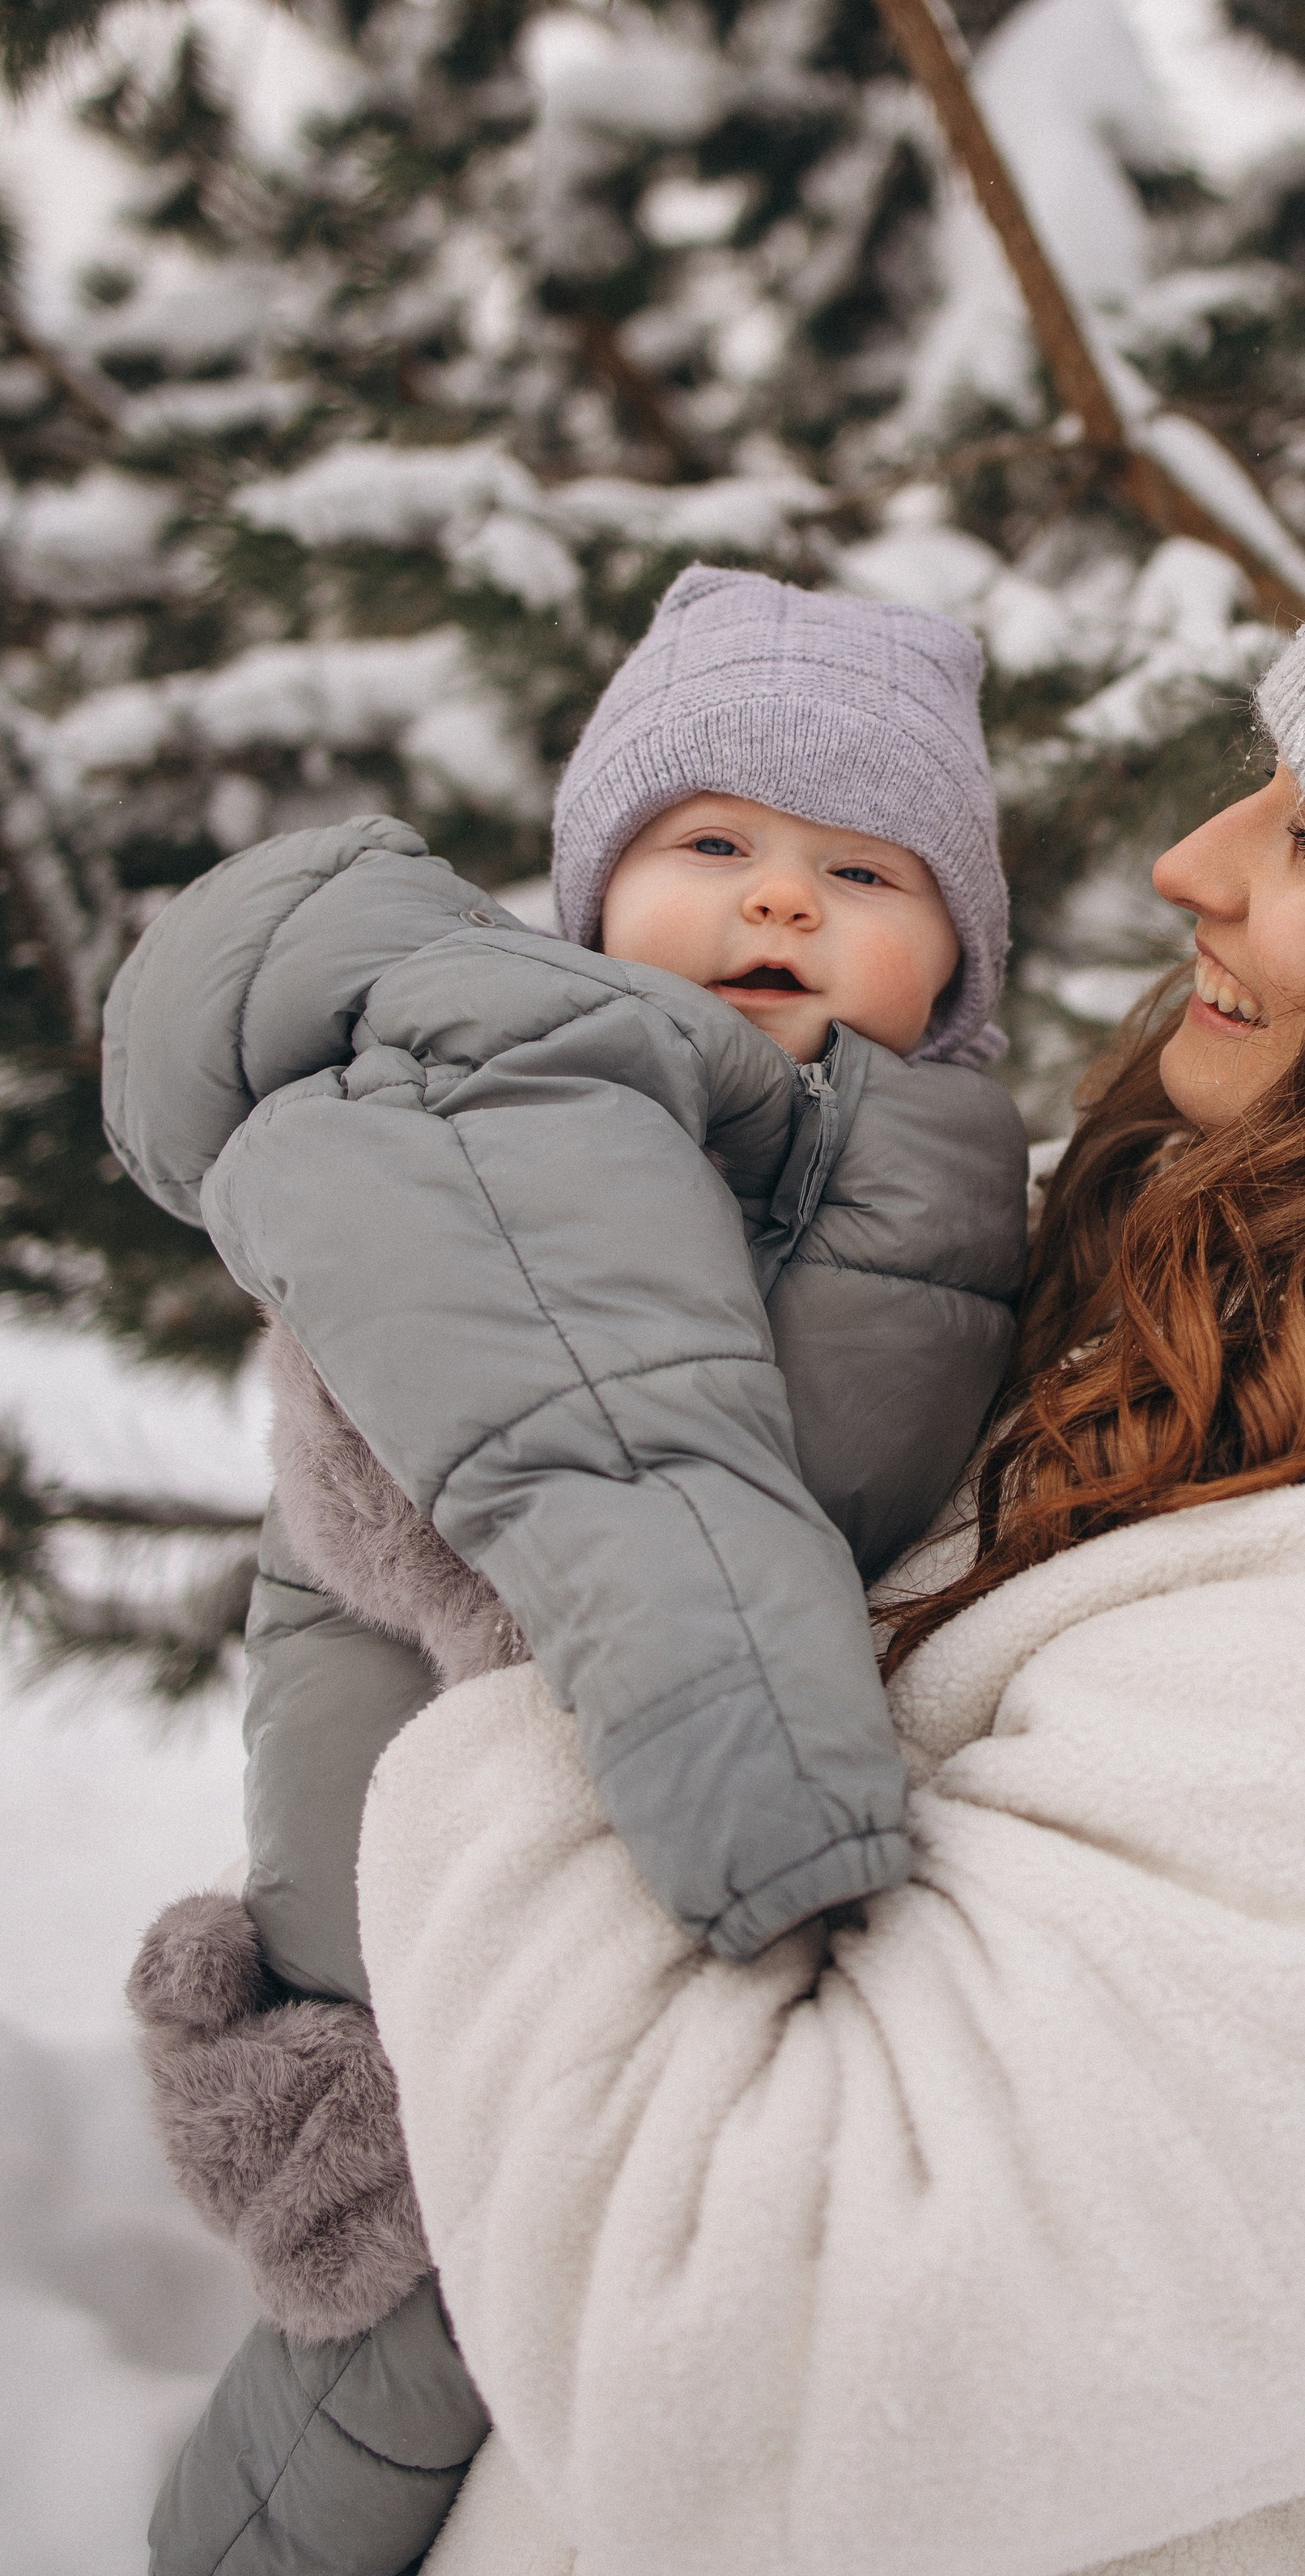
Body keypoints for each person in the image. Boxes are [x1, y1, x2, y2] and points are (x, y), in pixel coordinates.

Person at [135, 448, 1305, 2576]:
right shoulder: (1143, 1279)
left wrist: (549, 1632)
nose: (1186, 865)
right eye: (1260, 779)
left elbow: (795, 2398)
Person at [106, 567, 1030, 2576]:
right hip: (473, 1820)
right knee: (400, 2346)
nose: (779, 901)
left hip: (639, 1804)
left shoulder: (897, 1141)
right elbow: (609, 1448)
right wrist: (785, 1833)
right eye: (710, 846)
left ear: (958, 957)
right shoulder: (524, 1079)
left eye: (862, 871)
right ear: (593, 886)